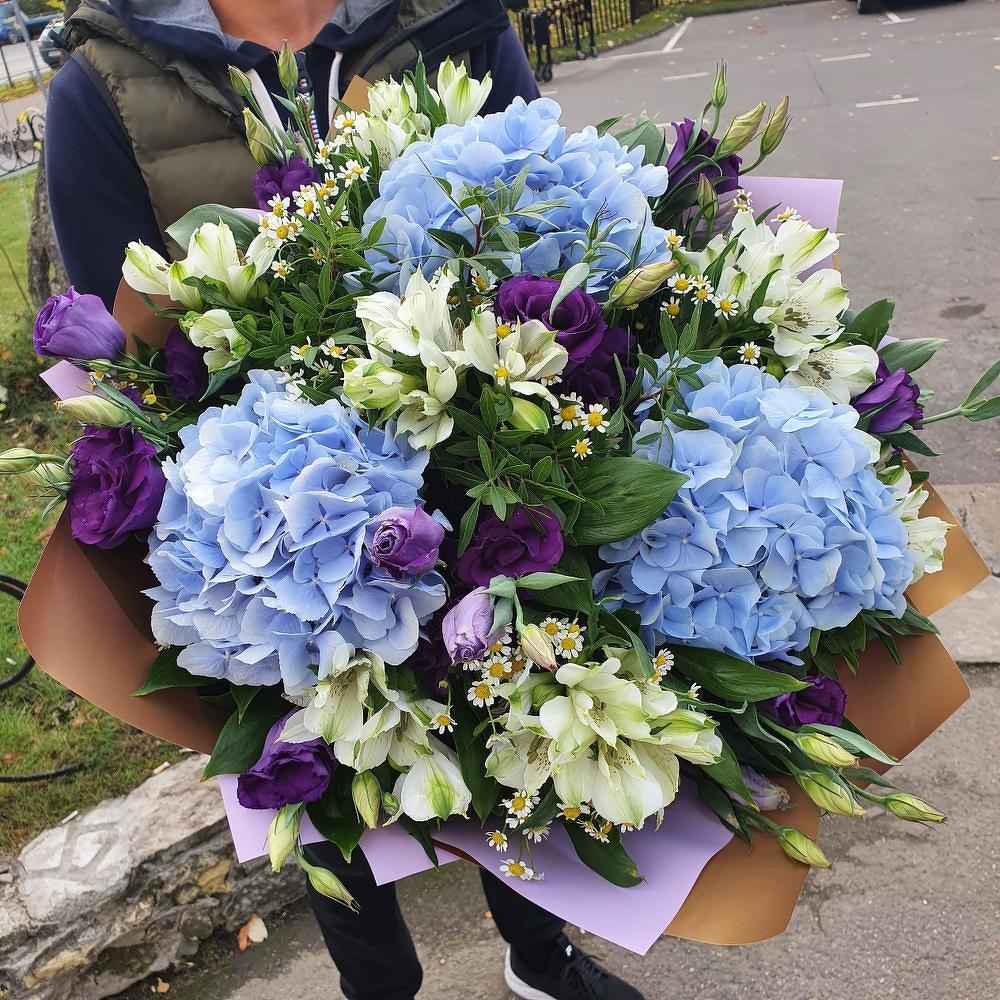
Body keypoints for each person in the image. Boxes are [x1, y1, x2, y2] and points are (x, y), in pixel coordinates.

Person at [44, 3, 647, 999]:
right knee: (318, 754)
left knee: (524, 725)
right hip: (266, 509)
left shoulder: (454, 19)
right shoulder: (104, 82)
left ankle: (543, 952)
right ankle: (378, 986)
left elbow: (566, 230)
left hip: (499, 460)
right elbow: (123, 350)